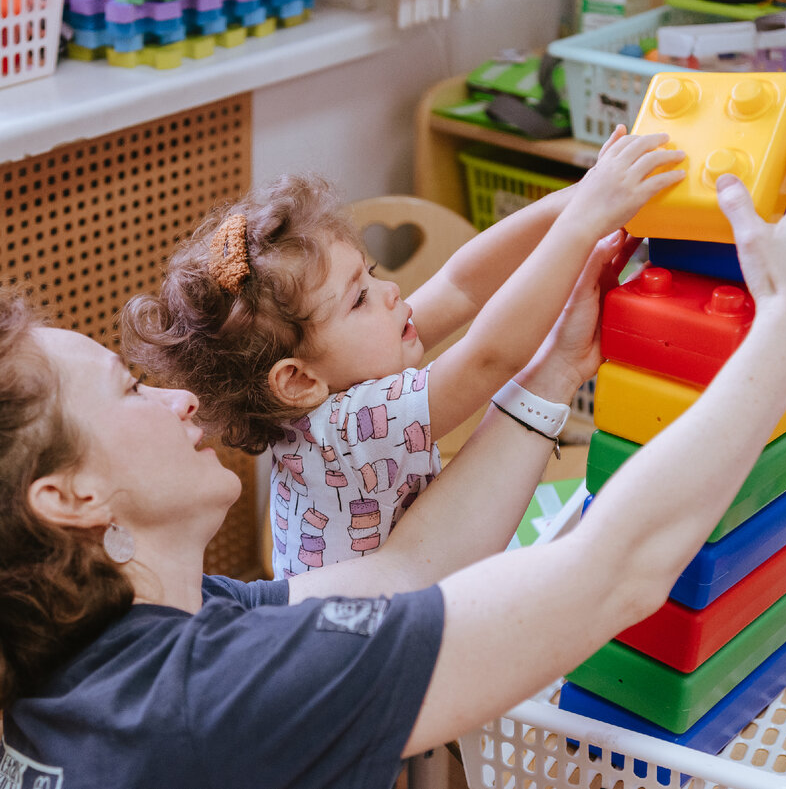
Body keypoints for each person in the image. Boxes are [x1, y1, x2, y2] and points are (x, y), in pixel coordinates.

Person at [0, 136, 786, 789]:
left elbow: (405, 568)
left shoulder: (130, 652)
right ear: (68, 497)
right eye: (127, 393)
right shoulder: (211, 696)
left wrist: (554, 369)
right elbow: (612, 574)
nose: (177, 402)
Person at [119, 126, 685, 578]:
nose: (391, 293)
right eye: (360, 298)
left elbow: (461, 283)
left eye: (372, 273)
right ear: (296, 380)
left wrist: (574, 201)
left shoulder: (327, 385)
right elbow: (490, 356)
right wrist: (584, 222)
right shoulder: (348, 426)